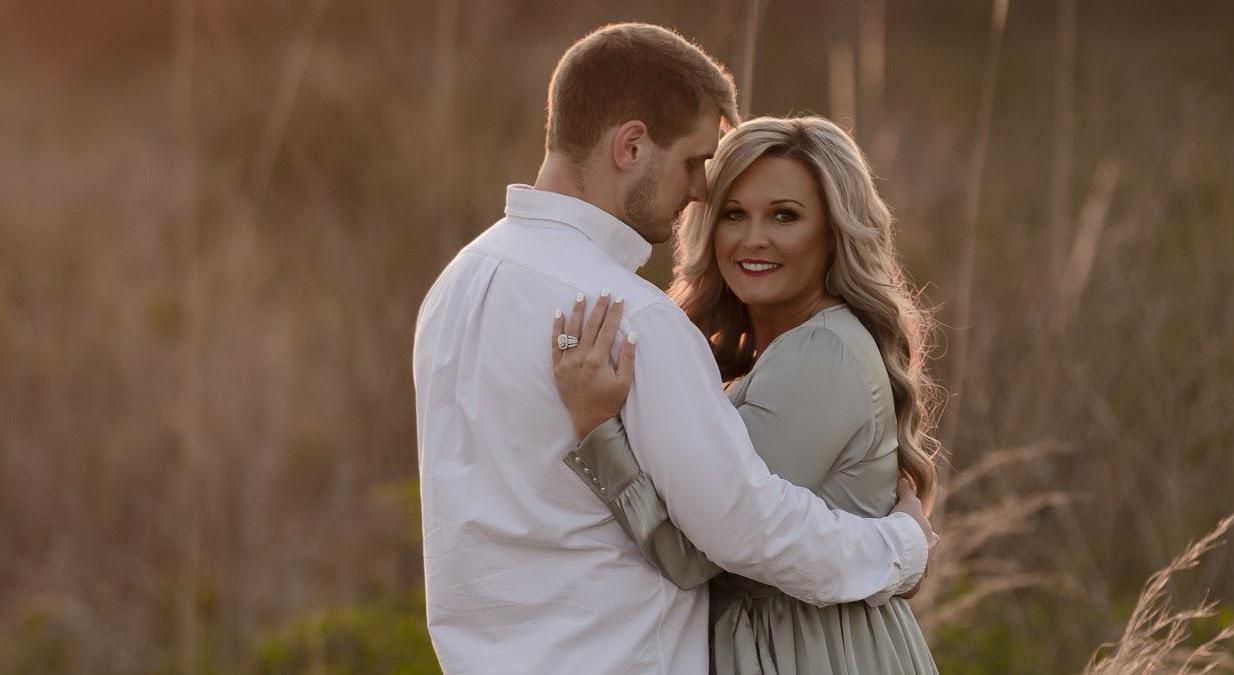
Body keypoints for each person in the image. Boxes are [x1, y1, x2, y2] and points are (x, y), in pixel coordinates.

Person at [413, 23, 933, 675]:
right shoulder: (633, 317)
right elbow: (741, 528)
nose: (699, 191)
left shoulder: (456, 286)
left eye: (783, 214)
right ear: (631, 145)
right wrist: (900, 547)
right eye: (693, 163)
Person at [552, 115, 942, 674]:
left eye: (785, 215)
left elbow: (697, 554)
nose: (753, 238)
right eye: (733, 214)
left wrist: (597, 427)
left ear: (835, 232)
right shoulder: (765, 355)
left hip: (817, 655)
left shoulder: (821, 354)